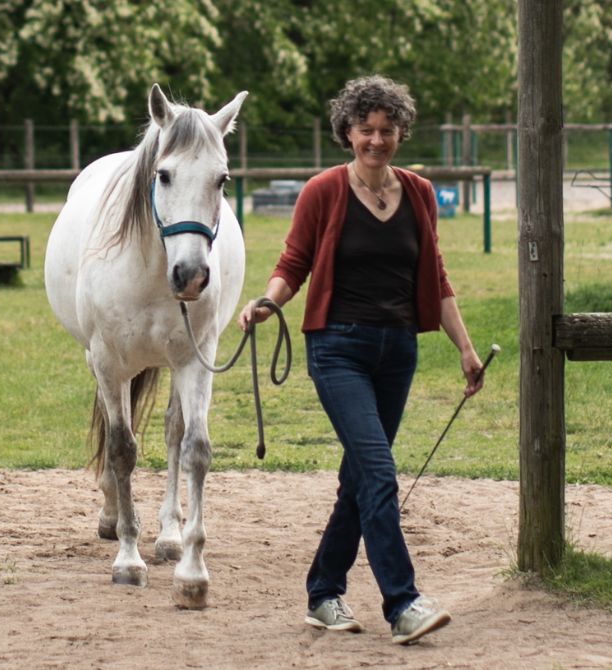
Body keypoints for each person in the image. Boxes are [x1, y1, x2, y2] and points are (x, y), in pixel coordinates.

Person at [238, 75, 485, 645]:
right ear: (347, 132)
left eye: (387, 130)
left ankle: (323, 591)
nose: (376, 139)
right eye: (365, 130)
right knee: (378, 472)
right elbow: (294, 262)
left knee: (358, 479)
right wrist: (266, 304)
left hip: (397, 350)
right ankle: (403, 603)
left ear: (400, 132)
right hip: (337, 349)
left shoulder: (419, 193)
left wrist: (466, 350)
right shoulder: (323, 191)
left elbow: (437, 277)